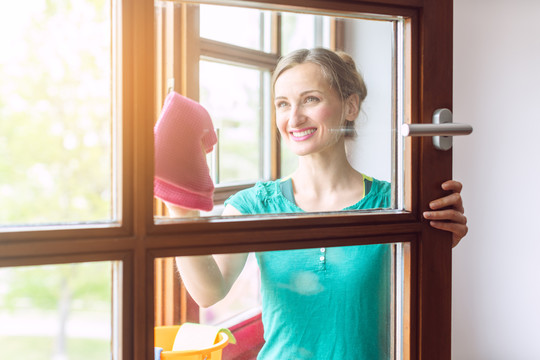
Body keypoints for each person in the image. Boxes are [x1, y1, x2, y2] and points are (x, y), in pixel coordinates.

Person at [167, 48, 467, 359]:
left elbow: (423, 300)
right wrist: (180, 209)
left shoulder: (395, 204)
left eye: (310, 99)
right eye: (283, 104)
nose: (294, 118)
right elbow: (208, 292)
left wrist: (441, 238)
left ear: (350, 106)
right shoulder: (254, 204)